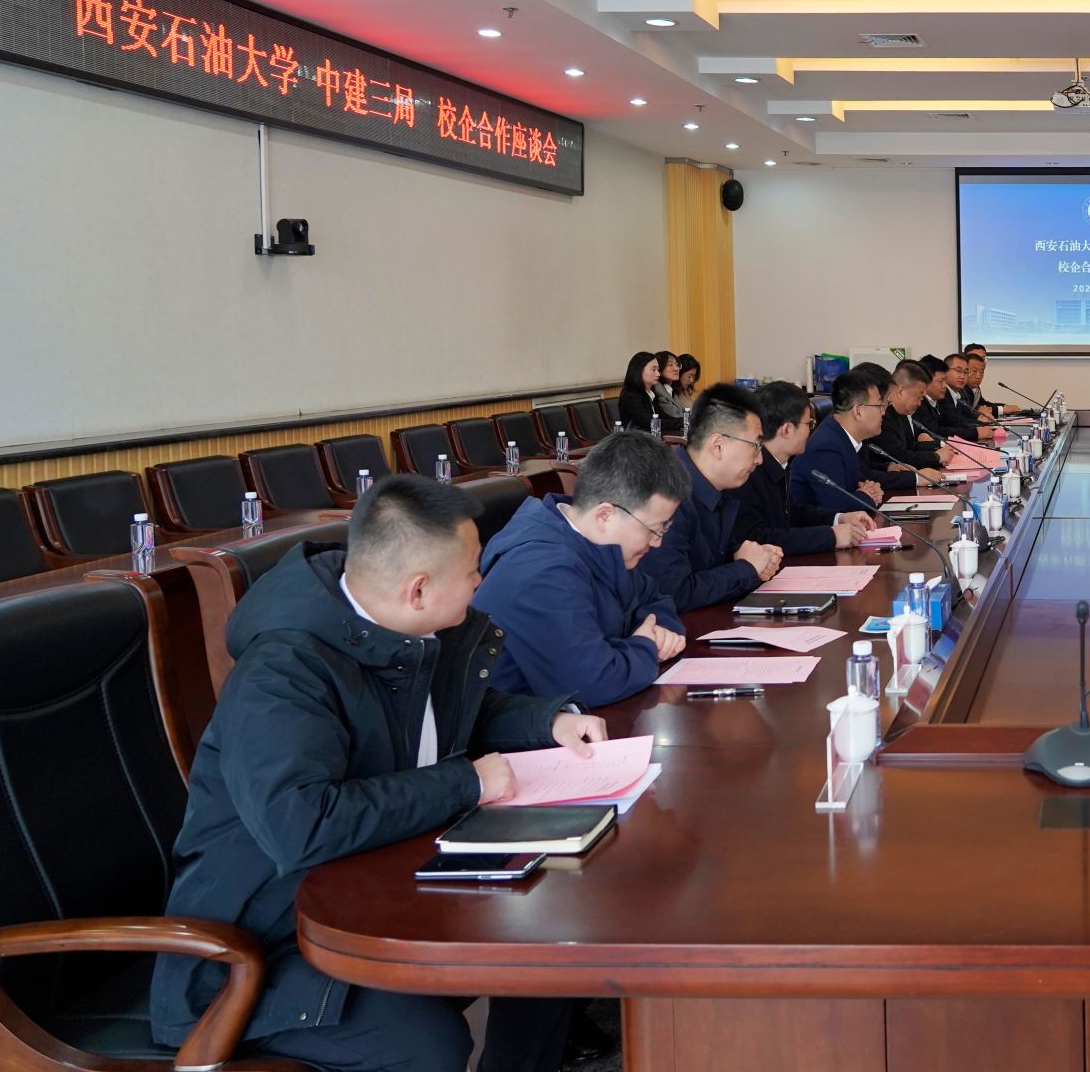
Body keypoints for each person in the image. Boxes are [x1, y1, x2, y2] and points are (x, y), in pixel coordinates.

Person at [150, 476, 609, 1072]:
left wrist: (548, 721)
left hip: (375, 883)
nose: (480, 581)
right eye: (472, 571)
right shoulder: (283, 671)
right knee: (426, 1045)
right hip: (257, 947)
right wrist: (467, 783)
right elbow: (303, 826)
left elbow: (453, 712)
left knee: (548, 940)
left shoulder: (405, 630)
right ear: (418, 589)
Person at [475, 431, 691, 707]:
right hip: (521, 727)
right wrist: (646, 646)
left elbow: (656, 600)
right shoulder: (539, 569)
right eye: (654, 529)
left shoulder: (602, 544)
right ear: (605, 515)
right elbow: (592, 684)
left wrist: (657, 634)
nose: (657, 542)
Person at [645, 383, 783, 611]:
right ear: (718, 445)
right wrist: (747, 568)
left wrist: (748, 556)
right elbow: (673, 594)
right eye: (756, 446)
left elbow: (713, 560)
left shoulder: (716, 485)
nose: (759, 459)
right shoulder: (666, 494)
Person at [730, 380, 876, 555]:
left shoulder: (780, 463)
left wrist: (840, 518)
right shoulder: (748, 472)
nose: (812, 431)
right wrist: (831, 536)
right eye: (809, 424)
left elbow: (794, 514)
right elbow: (758, 538)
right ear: (786, 430)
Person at [792, 367, 902, 512]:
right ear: (858, 411)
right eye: (879, 405)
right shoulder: (827, 446)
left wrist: (868, 490)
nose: (883, 412)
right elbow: (835, 508)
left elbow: (855, 486)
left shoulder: (843, 437)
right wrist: (867, 496)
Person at [875, 359, 954, 480]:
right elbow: (900, 456)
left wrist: (939, 447)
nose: (919, 403)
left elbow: (911, 446)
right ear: (901, 391)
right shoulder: (883, 416)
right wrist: (936, 456)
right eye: (919, 397)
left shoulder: (900, 413)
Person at [616, 349, 665, 433]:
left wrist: (683, 420)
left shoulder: (652, 394)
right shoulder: (630, 397)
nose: (658, 374)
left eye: (658, 369)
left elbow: (664, 418)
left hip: (652, 437)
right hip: (636, 439)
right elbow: (648, 422)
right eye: (653, 369)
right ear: (639, 371)